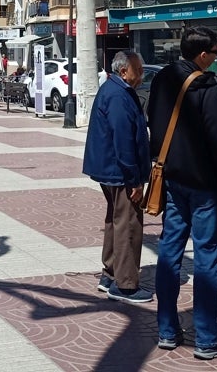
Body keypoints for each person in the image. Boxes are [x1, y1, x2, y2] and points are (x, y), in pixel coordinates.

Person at [146, 26, 217, 360]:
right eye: (216, 53)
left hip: (172, 180)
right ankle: (205, 338)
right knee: (206, 258)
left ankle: (168, 331)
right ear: (203, 55)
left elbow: (152, 122)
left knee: (169, 253)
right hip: (204, 187)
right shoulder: (207, 86)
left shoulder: (161, 79)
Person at [81, 50, 151, 304]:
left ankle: (110, 273)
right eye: (138, 70)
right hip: (120, 172)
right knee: (129, 225)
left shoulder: (114, 89)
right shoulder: (119, 95)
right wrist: (134, 179)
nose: (141, 75)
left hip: (110, 169)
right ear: (124, 72)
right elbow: (123, 140)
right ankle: (126, 285)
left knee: (115, 221)